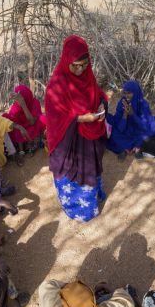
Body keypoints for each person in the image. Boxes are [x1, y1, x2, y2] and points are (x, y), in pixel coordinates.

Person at [45, 35, 108, 222]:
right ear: (66, 61)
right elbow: (54, 117)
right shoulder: (57, 85)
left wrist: (102, 106)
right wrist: (80, 118)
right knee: (72, 172)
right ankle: (74, 208)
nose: (80, 70)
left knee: (89, 167)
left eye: (84, 64)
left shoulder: (89, 77)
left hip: (88, 138)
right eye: (75, 65)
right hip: (69, 140)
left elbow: (98, 95)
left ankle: (90, 201)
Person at [106, 80, 155, 159]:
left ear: (136, 92)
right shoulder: (121, 103)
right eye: (125, 93)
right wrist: (125, 115)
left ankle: (127, 148)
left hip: (139, 128)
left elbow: (144, 126)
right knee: (113, 131)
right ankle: (135, 147)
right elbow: (120, 128)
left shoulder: (143, 104)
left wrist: (133, 114)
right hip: (126, 129)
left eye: (129, 93)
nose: (126, 95)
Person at [2, 85, 47, 166]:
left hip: (32, 127)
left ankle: (32, 145)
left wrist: (23, 105)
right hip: (21, 131)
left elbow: (32, 122)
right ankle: (21, 150)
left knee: (43, 118)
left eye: (22, 99)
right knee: (5, 117)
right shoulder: (15, 106)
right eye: (18, 99)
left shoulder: (35, 102)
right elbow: (14, 124)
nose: (18, 102)